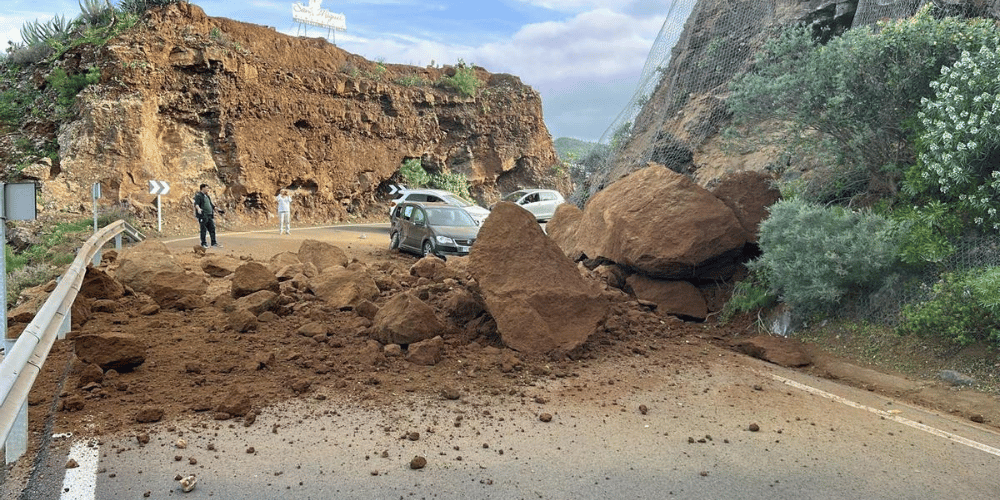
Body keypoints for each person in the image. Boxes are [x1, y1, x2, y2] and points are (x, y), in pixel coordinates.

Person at [193, 183, 224, 248]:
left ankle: (214, 243)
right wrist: (198, 209)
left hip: (209, 215)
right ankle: (203, 244)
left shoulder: (207, 196)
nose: (208, 189)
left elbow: (211, 205)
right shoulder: (199, 195)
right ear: (202, 188)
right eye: (206, 188)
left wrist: (218, 210)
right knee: (203, 229)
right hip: (203, 215)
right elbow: (196, 204)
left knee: (212, 229)